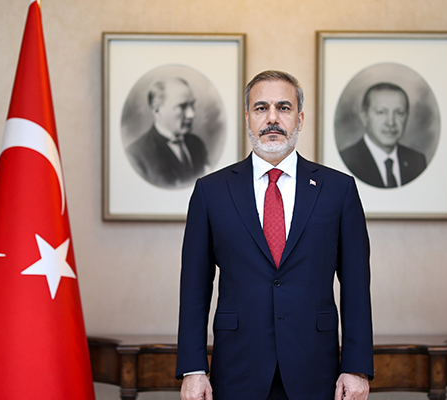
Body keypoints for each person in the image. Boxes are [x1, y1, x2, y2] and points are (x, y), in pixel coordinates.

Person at [176, 70, 374, 400]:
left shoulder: (338, 190)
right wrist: (193, 368)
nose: (272, 118)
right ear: (247, 118)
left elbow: (356, 286)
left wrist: (356, 367)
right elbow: (194, 287)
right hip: (238, 367)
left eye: (283, 107)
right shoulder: (211, 191)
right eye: (261, 108)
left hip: (315, 367)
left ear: (299, 118)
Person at [340, 82, 426, 189]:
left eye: (399, 113)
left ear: (407, 116)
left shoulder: (417, 161)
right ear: (364, 117)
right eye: (381, 112)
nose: (391, 122)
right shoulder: (348, 160)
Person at [126, 77, 208, 188]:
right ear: (157, 111)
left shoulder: (197, 144)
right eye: (182, 106)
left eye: (192, 105)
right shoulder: (136, 154)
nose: (191, 114)